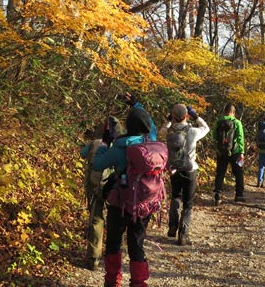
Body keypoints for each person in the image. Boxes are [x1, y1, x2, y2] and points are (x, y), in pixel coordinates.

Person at [93, 94, 156, 287]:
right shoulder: (150, 141)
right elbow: (150, 124)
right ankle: (138, 283)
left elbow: (97, 164)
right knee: (137, 244)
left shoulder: (120, 147)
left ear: (128, 126)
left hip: (120, 203)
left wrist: (104, 144)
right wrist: (137, 103)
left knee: (113, 243)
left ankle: (112, 282)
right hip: (144, 204)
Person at [159, 103, 210, 246]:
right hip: (190, 169)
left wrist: (169, 120)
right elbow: (206, 128)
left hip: (174, 169)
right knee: (188, 204)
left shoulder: (168, 131)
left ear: (173, 116)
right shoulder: (193, 131)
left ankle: (172, 226)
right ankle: (183, 235)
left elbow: (161, 131)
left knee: (176, 197)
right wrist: (196, 116)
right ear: (186, 116)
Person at [79, 116, 118, 271]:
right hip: (114, 187)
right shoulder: (120, 146)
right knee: (115, 219)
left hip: (95, 185)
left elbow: (82, 154)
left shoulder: (94, 143)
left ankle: (93, 257)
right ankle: (115, 252)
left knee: (96, 219)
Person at [213, 103, 246, 205]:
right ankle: (239, 195)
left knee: (220, 173)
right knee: (238, 173)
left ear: (225, 111)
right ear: (233, 112)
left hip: (221, 152)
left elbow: (214, 136)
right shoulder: (237, 122)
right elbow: (240, 138)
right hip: (235, 152)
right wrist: (242, 152)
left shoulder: (218, 122)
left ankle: (218, 195)